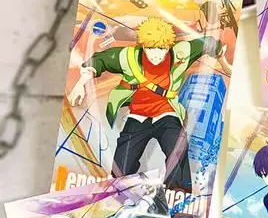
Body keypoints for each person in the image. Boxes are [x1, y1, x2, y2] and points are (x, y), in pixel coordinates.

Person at [67, 17, 232, 192]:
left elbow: (211, 44)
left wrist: (226, 66)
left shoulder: (182, 52)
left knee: (177, 149)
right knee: (121, 168)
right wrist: (80, 84)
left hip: (167, 113)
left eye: (161, 49)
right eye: (150, 48)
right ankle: (123, 193)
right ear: (143, 46)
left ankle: (179, 194)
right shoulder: (128, 56)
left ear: (168, 46)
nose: (155, 55)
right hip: (138, 116)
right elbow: (100, 60)